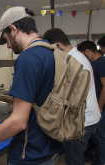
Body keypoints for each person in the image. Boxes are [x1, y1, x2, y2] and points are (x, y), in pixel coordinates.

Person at [0, 6, 64, 165]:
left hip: (29, 155)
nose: (8, 46)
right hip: (50, 149)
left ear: (13, 29)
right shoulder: (51, 51)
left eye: (6, 39)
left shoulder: (28, 58)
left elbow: (19, 121)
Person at [43, 28, 101, 165]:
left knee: (73, 159)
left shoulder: (72, 61)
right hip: (90, 117)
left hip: (81, 121)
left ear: (57, 45)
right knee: (77, 156)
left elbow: (68, 95)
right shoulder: (79, 57)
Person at [77, 40, 105, 165]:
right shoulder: (93, 63)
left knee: (100, 138)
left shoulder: (101, 63)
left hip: (100, 107)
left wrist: (99, 107)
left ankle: (100, 162)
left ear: (87, 51)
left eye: (82, 54)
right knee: (94, 138)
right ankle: (90, 156)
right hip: (96, 106)